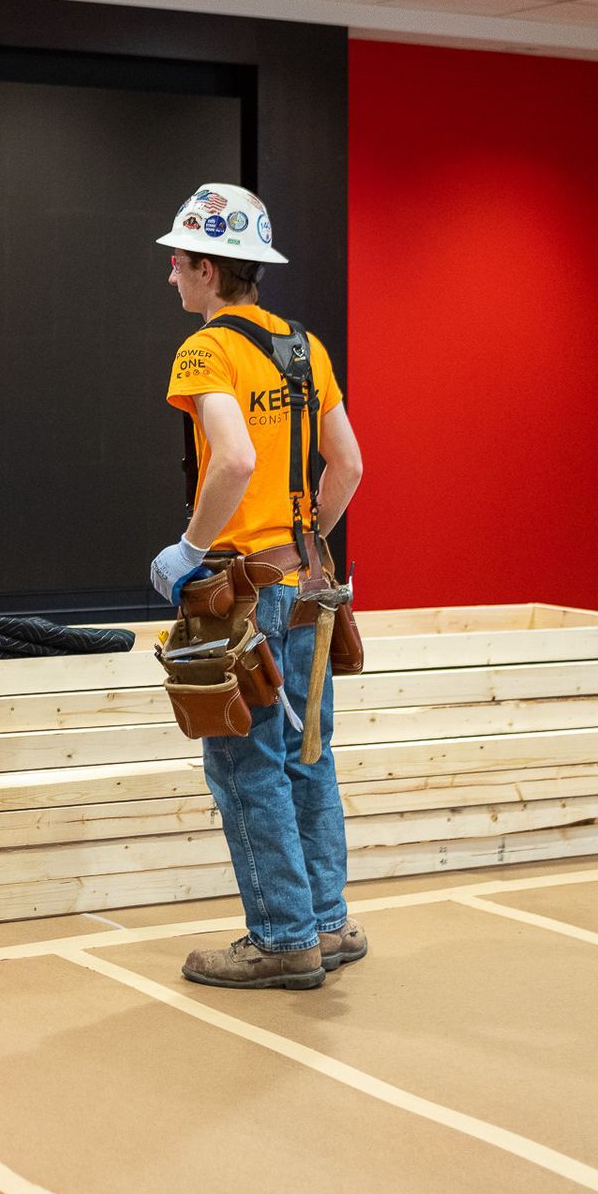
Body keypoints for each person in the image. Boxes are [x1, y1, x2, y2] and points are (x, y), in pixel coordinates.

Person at [149, 183, 366, 990]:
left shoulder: (206, 351)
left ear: (208, 270)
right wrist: (309, 541)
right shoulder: (305, 347)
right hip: (311, 577)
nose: (171, 272)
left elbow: (234, 459)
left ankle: (282, 937)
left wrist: (189, 547)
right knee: (309, 753)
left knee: (245, 763)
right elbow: (348, 465)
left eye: (179, 260)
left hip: (241, 585)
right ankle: (328, 920)